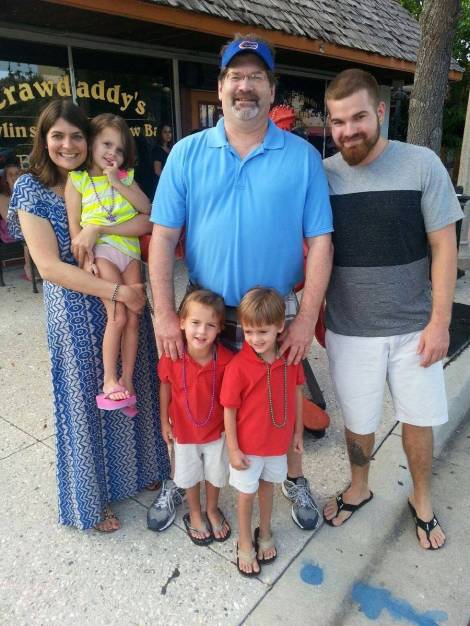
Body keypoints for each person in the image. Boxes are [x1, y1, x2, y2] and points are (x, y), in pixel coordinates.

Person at [148, 34, 333, 532]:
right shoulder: (187, 153)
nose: (245, 86)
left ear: (272, 89)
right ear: (220, 87)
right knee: (190, 398)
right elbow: (162, 238)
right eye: (236, 76)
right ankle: (181, 478)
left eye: (255, 77)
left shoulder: (302, 158)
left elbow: (321, 243)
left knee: (280, 402)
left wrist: (306, 319)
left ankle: (293, 477)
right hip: (203, 309)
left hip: (275, 314)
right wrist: (163, 313)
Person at [8, 99, 170, 532]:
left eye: (77, 135)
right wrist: (119, 292)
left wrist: (104, 234)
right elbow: (49, 267)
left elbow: (145, 219)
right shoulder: (31, 188)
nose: (68, 144)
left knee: (138, 383)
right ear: (43, 140)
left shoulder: (104, 176)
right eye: (57, 136)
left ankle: (142, 470)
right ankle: (93, 501)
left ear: (90, 139)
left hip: (124, 294)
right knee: (86, 403)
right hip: (77, 310)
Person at [321, 69, 463, 550]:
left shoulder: (421, 164)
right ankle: (359, 487)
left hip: (414, 328)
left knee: (418, 420)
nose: (349, 130)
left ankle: (421, 497)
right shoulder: (322, 176)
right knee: (358, 422)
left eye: (358, 117)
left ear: (380, 112)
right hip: (349, 329)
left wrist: (441, 321)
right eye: (338, 121)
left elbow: (444, 246)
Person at [65, 113, 150, 410]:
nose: (113, 153)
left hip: (130, 253)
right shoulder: (78, 180)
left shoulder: (125, 177)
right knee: (118, 316)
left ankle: (127, 380)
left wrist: (117, 181)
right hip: (102, 254)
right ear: (91, 143)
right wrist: (84, 261)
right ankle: (109, 379)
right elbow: (76, 231)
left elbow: (146, 210)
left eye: (120, 149)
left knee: (135, 318)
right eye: (106, 144)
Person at [221, 288, 305, 576]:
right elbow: (229, 410)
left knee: (268, 488)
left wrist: (297, 434)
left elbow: (297, 394)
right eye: (249, 332)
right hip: (247, 448)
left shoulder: (290, 360)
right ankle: (244, 540)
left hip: (277, 445)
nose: (255, 339)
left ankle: (265, 530)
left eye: (263, 332)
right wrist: (233, 448)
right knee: (246, 494)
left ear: (280, 326)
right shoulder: (238, 367)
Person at [156, 289, 233, 543]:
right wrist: (163, 421)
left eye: (210, 325)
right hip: (183, 432)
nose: (201, 331)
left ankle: (212, 508)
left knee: (215, 473)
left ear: (219, 329)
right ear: (181, 323)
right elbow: (165, 386)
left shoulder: (227, 360)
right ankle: (195, 512)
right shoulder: (172, 356)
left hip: (216, 431)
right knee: (189, 474)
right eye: (195, 323)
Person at [0, 157, 33, 280]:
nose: (14, 177)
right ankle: (28, 267)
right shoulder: (2, 197)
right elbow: (9, 219)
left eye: (17, 173)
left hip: (27, 226)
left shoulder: (26, 192)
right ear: (6, 178)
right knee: (30, 234)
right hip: (10, 230)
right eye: (11, 174)